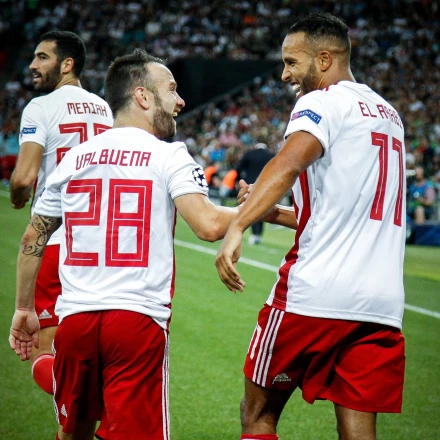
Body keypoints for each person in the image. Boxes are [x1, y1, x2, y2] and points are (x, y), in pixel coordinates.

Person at [9, 49, 297, 440]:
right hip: (136, 321)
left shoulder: (74, 158)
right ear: (142, 97)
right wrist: (259, 209)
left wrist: (24, 308)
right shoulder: (169, 154)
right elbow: (209, 225)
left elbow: (33, 236)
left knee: (73, 431)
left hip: (75, 321)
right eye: (172, 89)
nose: (181, 101)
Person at [216, 13, 406, 440]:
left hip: (315, 294)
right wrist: (273, 213)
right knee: (358, 430)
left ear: (323, 60)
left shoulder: (322, 101)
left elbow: (287, 163)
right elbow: (346, 211)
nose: (285, 75)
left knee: (257, 413)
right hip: (380, 305)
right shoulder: (389, 115)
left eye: (291, 62)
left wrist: (238, 226)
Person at [9, 30, 113, 397]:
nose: (32, 65)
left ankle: (89, 405)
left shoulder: (40, 107)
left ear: (67, 64)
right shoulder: (106, 109)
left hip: (56, 243)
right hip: (100, 246)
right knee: (95, 352)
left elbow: (24, 178)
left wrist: (18, 197)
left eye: (42, 57)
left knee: (47, 353)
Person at [236, 142, 275, 244]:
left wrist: (240, 180)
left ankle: (253, 233)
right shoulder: (271, 155)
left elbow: (238, 168)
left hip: (250, 185)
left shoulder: (249, 154)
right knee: (261, 209)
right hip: (266, 185)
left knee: (251, 208)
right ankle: (258, 234)